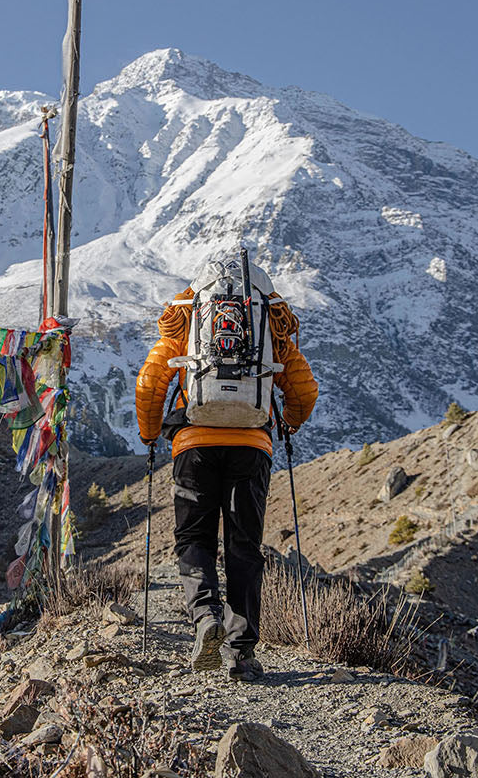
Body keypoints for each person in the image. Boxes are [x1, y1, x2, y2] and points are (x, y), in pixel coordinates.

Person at [135, 255, 318, 681]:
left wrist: (149, 434)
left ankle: (204, 618)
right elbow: (304, 391)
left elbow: (150, 381)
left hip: (193, 444)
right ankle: (239, 651)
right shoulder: (267, 327)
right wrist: (286, 423)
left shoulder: (187, 324)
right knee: (244, 545)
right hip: (252, 445)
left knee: (194, 536)